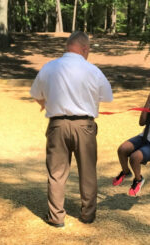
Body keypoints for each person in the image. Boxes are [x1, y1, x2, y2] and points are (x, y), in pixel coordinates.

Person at [30, 31, 113, 227]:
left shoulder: (50, 67)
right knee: (88, 171)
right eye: (89, 49)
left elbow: (36, 93)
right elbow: (107, 97)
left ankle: (56, 217)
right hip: (84, 125)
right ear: (85, 48)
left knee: (56, 172)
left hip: (57, 125)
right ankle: (87, 214)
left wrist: (44, 102)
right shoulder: (93, 70)